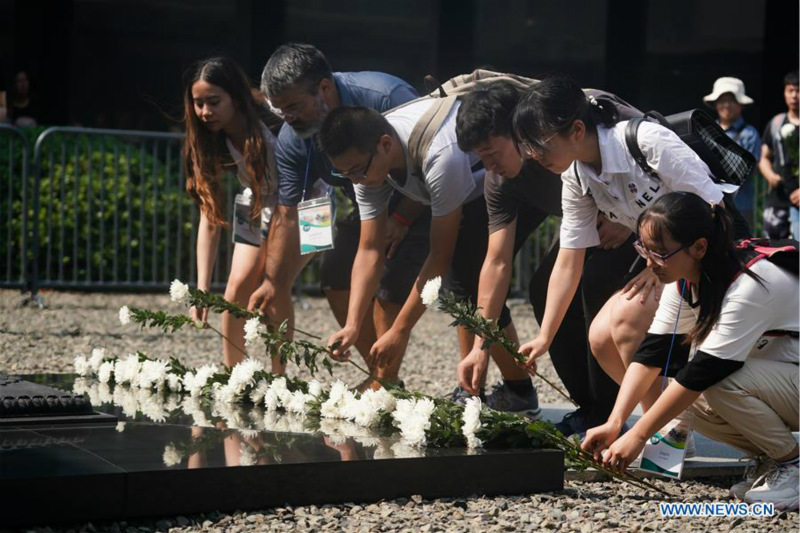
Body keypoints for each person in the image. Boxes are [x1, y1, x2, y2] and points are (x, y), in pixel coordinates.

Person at [512, 76, 743, 421]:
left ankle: (662, 433)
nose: (533, 154)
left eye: (539, 142)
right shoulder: (576, 177)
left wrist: (659, 264)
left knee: (623, 322)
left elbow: (712, 208)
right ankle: (677, 423)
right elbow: (568, 259)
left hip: (711, 253)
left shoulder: (645, 140)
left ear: (576, 130)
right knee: (601, 339)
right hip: (665, 264)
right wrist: (545, 336)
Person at [317, 99, 540, 418]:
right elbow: (369, 250)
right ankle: (514, 390)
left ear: (384, 144)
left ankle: (475, 392)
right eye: (347, 174)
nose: (357, 181)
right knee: (465, 282)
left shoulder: (440, 156)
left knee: (464, 278)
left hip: (513, 177)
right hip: (468, 190)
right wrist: (353, 325)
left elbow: (439, 255)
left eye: (359, 171)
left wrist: (400, 330)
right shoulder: (366, 164)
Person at [582, 192, 798, 511]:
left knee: (712, 382)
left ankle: (792, 465)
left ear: (699, 247)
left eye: (660, 252)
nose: (649, 262)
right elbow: (652, 354)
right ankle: (772, 458)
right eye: (644, 248)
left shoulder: (751, 283)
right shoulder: (685, 279)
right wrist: (616, 422)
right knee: (681, 401)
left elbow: (704, 372)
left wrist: (639, 435)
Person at [453, 80, 638, 432]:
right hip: (587, 227)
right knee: (543, 289)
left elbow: (650, 155)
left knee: (593, 290)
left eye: (492, 153)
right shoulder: (502, 182)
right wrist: (481, 345)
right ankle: (590, 407)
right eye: (481, 159)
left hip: (641, 220)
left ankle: (610, 411)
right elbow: (496, 261)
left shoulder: (574, 122)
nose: (489, 166)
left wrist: (630, 221)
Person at [250, 43, 428, 389]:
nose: (287, 117)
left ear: (325, 89)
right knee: (334, 270)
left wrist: (402, 219)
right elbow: (288, 215)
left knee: (389, 278)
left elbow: (430, 160)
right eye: (280, 109)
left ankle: (382, 383)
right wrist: (274, 280)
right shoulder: (292, 138)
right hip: (368, 201)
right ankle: (382, 376)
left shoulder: (386, 96)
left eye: (294, 107)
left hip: (421, 198)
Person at [183, 56, 281, 368]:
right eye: (198, 103)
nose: (205, 112)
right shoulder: (208, 138)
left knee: (274, 286)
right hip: (255, 201)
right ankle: (234, 375)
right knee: (235, 289)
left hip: (300, 205)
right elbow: (209, 217)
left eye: (213, 102)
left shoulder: (274, 120)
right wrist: (202, 290)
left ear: (236, 98)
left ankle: (280, 379)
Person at [703, 77, 761, 227]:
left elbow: (748, 171)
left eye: (732, 100)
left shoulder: (750, 133)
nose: (727, 105)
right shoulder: (707, 131)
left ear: (741, 104)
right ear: (715, 104)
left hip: (740, 205)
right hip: (711, 202)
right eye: (722, 100)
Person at [760, 71, 799, 240]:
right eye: (790, 91)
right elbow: (764, 158)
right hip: (778, 200)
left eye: (798, 91)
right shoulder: (776, 123)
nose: (794, 96)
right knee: (774, 249)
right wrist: (770, 175)